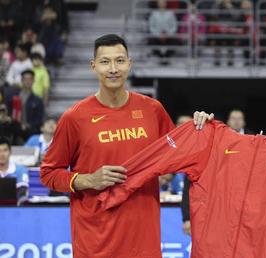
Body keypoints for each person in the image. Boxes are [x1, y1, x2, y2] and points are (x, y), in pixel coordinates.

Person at [39, 34, 213, 258]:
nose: (113, 68)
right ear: (93, 67)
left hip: (143, 241)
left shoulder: (152, 110)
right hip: (94, 242)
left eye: (120, 60)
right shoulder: (74, 118)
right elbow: (48, 174)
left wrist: (201, 127)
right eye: (105, 62)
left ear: (129, 64)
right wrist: (88, 179)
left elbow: (182, 156)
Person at [0, 137, 29, 202]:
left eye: (5, 150)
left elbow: (23, 193)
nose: (2, 154)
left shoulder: (21, 170)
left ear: (10, 152)